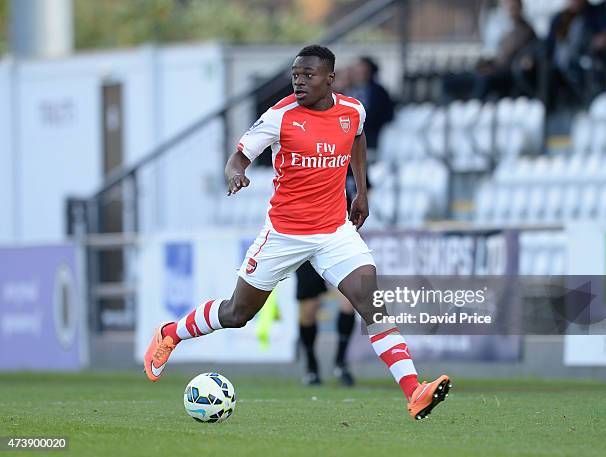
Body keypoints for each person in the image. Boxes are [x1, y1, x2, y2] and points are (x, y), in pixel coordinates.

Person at [143, 45, 451, 420]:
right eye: (296, 75)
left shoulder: (352, 111)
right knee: (238, 312)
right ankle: (172, 333)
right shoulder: (280, 116)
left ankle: (414, 391)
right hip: (284, 233)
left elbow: (357, 138)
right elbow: (237, 157)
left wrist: (362, 192)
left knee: (373, 305)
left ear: (330, 79)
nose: (299, 81)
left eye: (308, 75)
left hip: (335, 230)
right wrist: (236, 173)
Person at [443, 0, 537, 101]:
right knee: (450, 80)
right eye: (508, 7)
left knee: (483, 80)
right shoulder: (507, 30)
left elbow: (526, 55)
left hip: (506, 75)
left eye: (512, 7)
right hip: (493, 69)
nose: (509, 10)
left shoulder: (526, 31)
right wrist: (485, 64)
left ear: (520, 8)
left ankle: (474, 107)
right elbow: (497, 56)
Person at [296, 261, 356, 386]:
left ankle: (341, 362)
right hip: (308, 250)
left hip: (337, 249)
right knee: (308, 312)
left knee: (349, 303)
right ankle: (311, 366)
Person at [546, 0, 606, 106]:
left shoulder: (596, 13)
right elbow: (548, 46)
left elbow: (605, 34)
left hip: (584, 64)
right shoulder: (559, 18)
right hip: (560, 68)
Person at [346, 56, 394, 152]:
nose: (359, 74)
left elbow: (384, 114)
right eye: (357, 71)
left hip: (370, 133)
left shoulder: (378, 91)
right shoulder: (348, 89)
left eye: (363, 71)